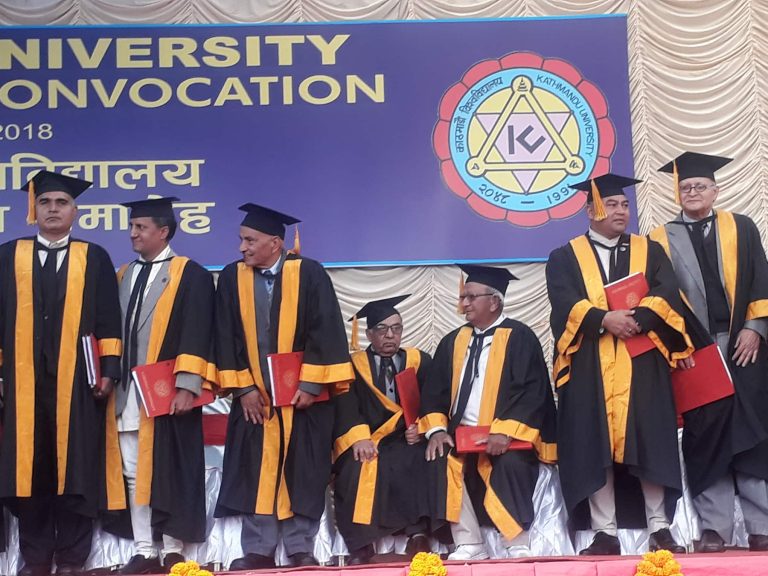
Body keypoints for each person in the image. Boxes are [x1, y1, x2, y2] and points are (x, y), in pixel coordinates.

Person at [546, 173, 693, 555]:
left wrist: (638, 318)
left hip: (641, 360)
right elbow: (564, 302)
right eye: (611, 204)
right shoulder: (565, 256)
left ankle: (660, 527)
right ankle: (604, 531)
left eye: (625, 205)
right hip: (590, 366)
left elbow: (666, 292)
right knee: (595, 445)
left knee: (650, 440)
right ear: (591, 209)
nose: (620, 211)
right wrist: (603, 319)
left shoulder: (650, 250)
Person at [214, 204, 354, 569]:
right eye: (241, 240)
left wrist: (310, 383)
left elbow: (326, 330)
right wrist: (243, 389)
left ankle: (299, 547)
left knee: (303, 470)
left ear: (275, 243)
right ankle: (258, 549)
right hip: (255, 397)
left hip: (303, 398)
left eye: (250, 240)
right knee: (254, 470)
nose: (242, 247)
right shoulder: (231, 278)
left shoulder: (309, 273)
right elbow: (224, 335)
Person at [0, 171, 124, 576]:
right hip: (22, 385)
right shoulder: (8, 255)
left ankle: (72, 559)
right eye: (45, 202)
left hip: (78, 385)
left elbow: (108, 320)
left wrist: (108, 372)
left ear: (75, 211)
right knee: (30, 471)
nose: (52, 209)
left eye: (61, 203)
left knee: (75, 471)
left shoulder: (94, 257)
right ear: (33, 210)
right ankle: (35, 558)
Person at [651, 152, 768, 552]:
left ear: (715, 190)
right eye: (685, 187)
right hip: (695, 350)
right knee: (706, 435)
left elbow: (761, 279)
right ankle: (715, 528)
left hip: (743, 347)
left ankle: (762, 525)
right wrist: (676, 345)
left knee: (753, 432)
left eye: (700, 186)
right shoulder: (659, 239)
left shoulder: (742, 227)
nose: (692, 192)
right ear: (677, 193)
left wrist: (755, 329)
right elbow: (659, 298)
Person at [419, 264, 557, 561]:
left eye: (471, 297)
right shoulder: (452, 341)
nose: (464, 303)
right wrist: (437, 431)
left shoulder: (520, 337)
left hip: (505, 435)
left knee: (510, 463)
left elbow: (532, 392)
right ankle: (469, 543)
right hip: (461, 436)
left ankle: (516, 541)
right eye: (463, 297)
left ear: (494, 302)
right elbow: (434, 391)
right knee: (439, 458)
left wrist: (505, 431)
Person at [114, 197, 215, 573]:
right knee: (132, 471)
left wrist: (188, 385)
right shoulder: (123, 275)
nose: (132, 234)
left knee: (170, 469)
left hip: (168, 392)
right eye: (132, 227)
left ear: (164, 231)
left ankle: (172, 548)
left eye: (140, 227)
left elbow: (198, 330)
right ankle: (144, 549)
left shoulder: (191, 274)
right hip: (128, 392)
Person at [333, 295, 436, 564]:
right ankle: (361, 544)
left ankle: (418, 535)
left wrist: (421, 427)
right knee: (355, 467)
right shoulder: (353, 365)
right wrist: (358, 437)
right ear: (368, 334)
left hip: (406, 437)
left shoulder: (419, 360)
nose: (390, 335)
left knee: (417, 458)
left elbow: (434, 399)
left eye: (396, 328)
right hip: (367, 438)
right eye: (382, 329)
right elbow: (345, 405)